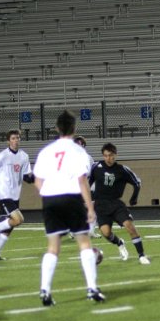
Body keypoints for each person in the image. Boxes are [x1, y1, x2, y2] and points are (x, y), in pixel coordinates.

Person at [33, 110, 105, 306]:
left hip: (50, 198)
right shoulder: (78, 151)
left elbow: (37, 181)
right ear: (74, 129)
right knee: (84, 243)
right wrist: (90, 208)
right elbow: (82, 181)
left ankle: (45, 291)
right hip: (72, 197)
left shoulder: (46, 151)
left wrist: (48, 196)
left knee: (53, 247)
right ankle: (92, 288)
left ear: (56, 128)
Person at [89, 142, 150, 265]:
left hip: (116, 204)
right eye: (105, 155)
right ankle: (119, 243)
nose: (108, 158)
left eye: (111, 155)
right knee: (106, 233)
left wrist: (134, 198)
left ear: (115, 155)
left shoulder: (122, 170)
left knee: (130, 226)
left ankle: (142, 255)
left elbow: (137, 183)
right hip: (100, 205)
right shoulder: (96, 167)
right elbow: (87, 183)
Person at [0, 129, 33, 261]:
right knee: (18, 220)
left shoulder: (24, 156)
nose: (16, 140)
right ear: (8, 141)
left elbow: (26, 177)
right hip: (3, 193)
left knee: (11, 225)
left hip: (15, 194)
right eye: (13, 138)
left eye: (17, 138)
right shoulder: (2, 156)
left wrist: (34, 178)